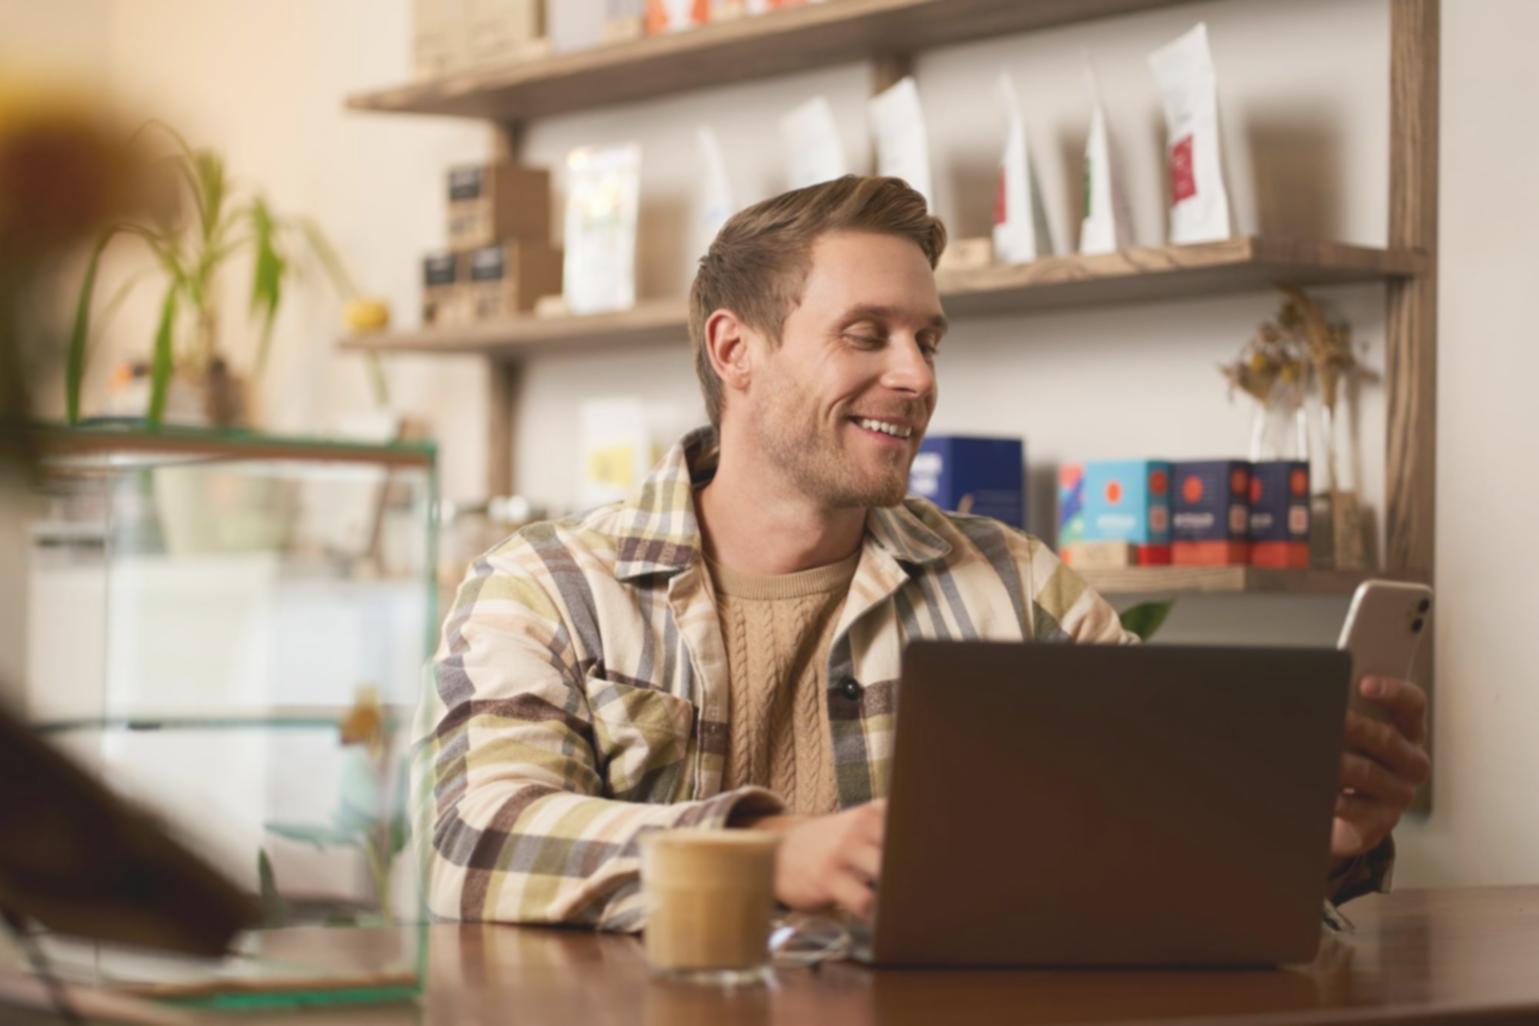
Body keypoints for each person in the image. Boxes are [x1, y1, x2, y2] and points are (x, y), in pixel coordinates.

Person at [416, 175, 1429, 930]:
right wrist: (763, 853)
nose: (916, 377)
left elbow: (1151, 838)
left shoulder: (1014, 585)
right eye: (867, 335)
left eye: (928, 340)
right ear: (735, 351)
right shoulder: (545, 588)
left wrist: (1308, 848)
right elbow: (472, 840)